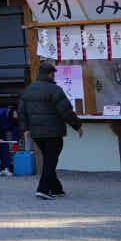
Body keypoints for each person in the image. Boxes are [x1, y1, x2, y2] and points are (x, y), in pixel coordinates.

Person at [18, 62, 81, 200]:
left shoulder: (28, 90)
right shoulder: (55, 90)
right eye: (53, 74)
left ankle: (56, 189)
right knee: (50, 161)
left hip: (36, 133)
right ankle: (43, 189)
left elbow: (22, 112)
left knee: (48, 160)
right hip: (53, 132)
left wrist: (25, 129)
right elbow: (66, 111)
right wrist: (77, 125)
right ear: (50, 74)